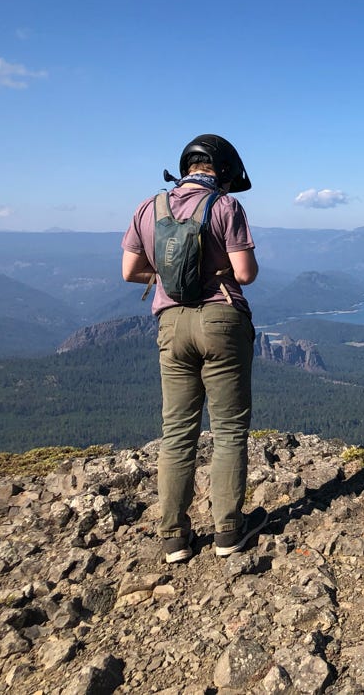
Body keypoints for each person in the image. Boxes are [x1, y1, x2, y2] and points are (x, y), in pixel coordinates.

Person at [122, 134, 267, 563]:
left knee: (177, 432)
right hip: (221, 319)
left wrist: (171, 273)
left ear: (187, 166)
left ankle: (173, 538)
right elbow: (246, 273)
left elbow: (130, 270)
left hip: (171, 323)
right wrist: (214, 268)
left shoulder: (149, 208)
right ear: (223, 171)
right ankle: (228, 532)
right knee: (228, 430)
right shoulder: (225, 206)